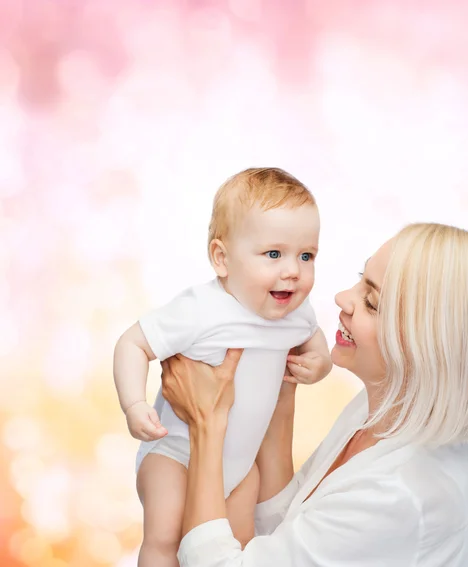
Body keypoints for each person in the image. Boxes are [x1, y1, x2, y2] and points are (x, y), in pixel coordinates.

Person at [159, 222, 468, 567]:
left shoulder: (400, 494)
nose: (341, 299)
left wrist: (206, 423)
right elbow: (287, 528)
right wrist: (282, 391)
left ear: (428, 348)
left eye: (372, 303)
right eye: (360, 281)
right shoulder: (388, 408)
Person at [113, 167, 332, 567]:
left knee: (238, 546)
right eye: (273, 254)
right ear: (221, 259)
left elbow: (315, 343)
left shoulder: (296, 313)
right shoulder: (202, 310)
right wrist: (133, 404)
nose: (293, 270)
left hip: (240, 466)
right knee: (165, 538)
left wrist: (319, 365)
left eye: (307, 255)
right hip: (176, 453)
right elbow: (132, 343)